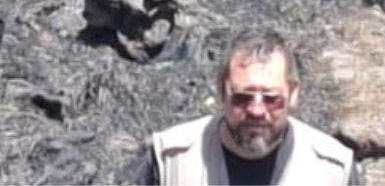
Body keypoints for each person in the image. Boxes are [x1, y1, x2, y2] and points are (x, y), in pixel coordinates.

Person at [139, 31, 360, 185]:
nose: (256, 110)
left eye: (271, 98)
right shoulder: (170, 159)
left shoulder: (333, 170)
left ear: (293, 94)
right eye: (242, 97)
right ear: (222, 92)